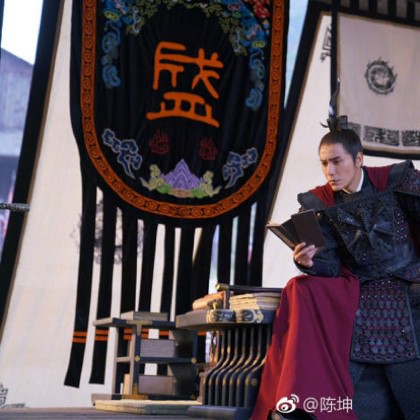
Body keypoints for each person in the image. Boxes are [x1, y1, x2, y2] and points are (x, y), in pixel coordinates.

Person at [252, 125, 420, 420]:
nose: (329, 171)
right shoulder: (315, 205)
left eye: (337, 161)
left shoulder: (397, 180)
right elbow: (328, 266)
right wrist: (308, 262)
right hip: (360, 290)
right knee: (300, 287)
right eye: (324, 163)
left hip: (410, 282)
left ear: (359, 159)